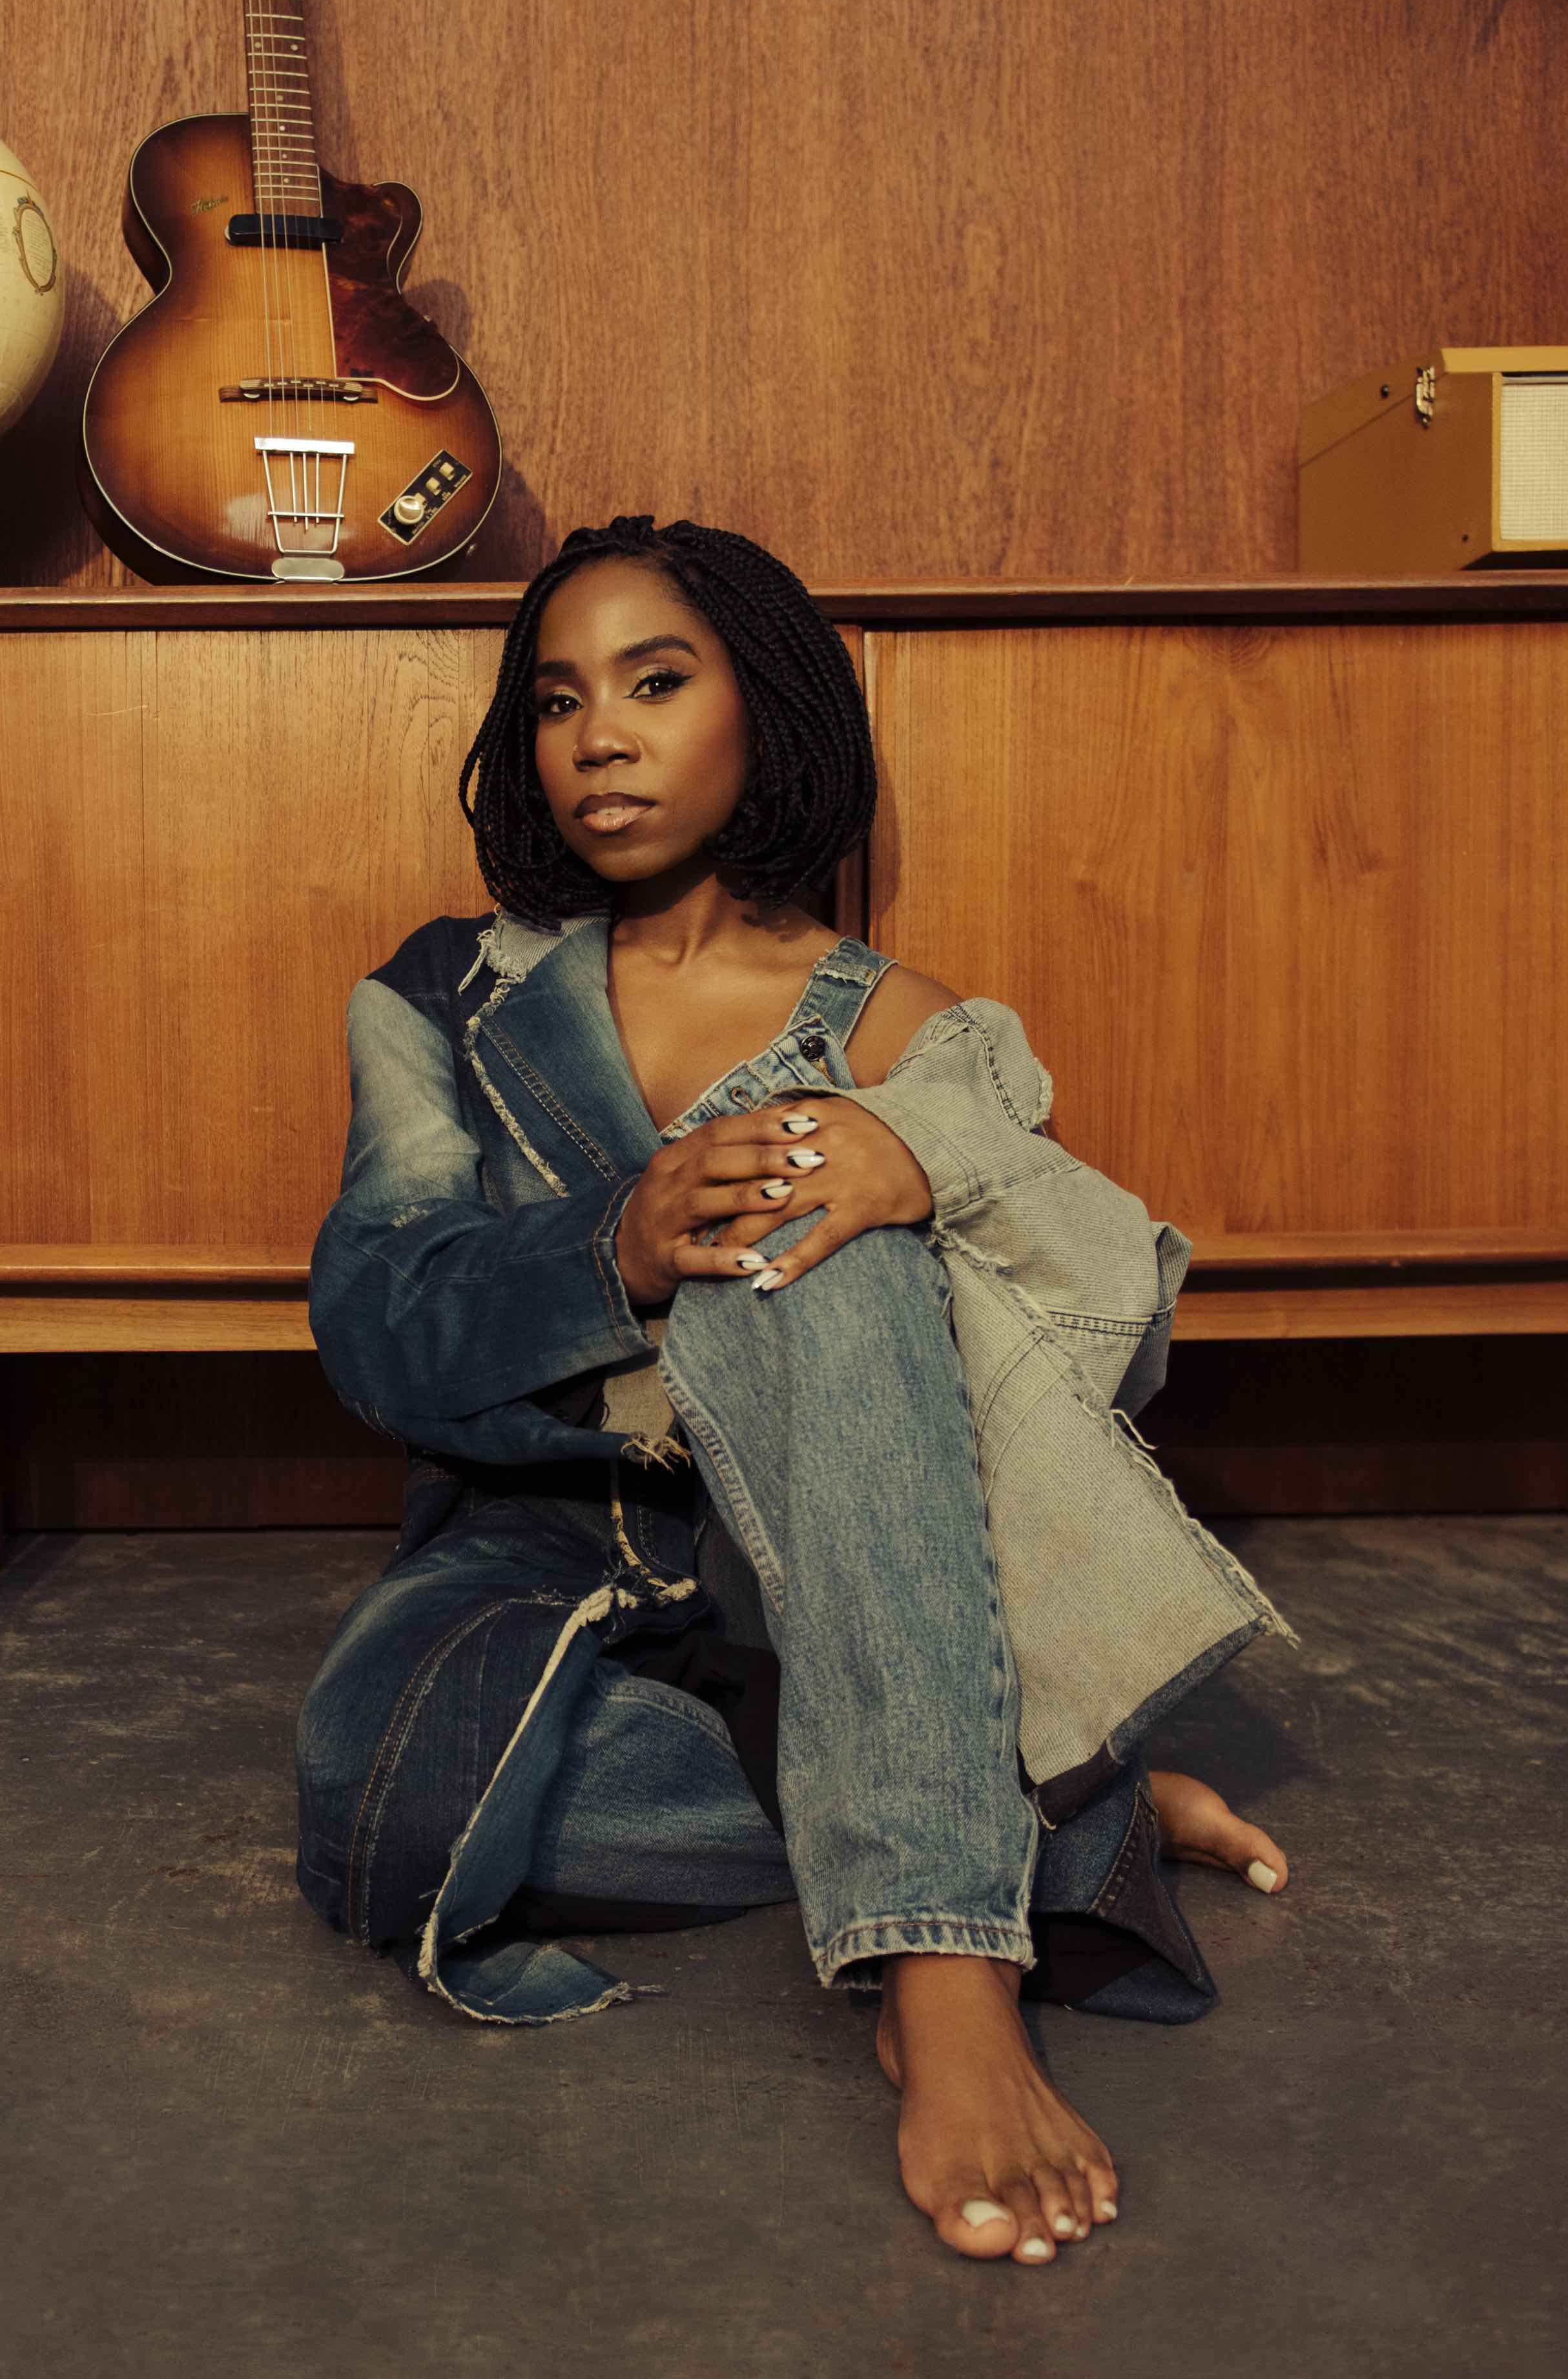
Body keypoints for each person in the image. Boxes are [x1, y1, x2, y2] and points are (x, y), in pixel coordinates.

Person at [294, 514, 1297, 2268]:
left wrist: (927, 1166)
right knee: (396, 1789)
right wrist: (614, 1244)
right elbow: (378, 1330)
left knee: (810, 1205)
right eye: (558, 700)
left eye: (656, 683)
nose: (599, 737)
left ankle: (945, 1967)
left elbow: (1113, 1336)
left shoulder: (903, 1023)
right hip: (553, 1567)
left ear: (762, 712)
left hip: (846, 1552)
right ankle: (1036, 1806)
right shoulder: (444, 997)